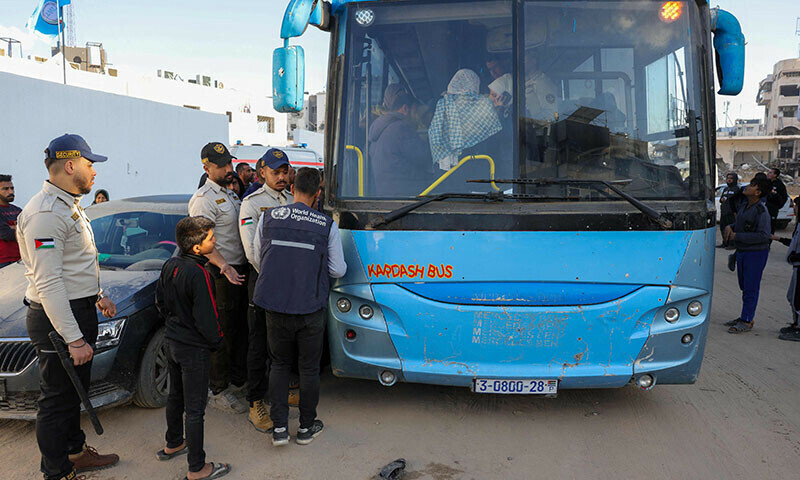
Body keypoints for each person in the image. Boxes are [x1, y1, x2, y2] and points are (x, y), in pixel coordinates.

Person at [16, 134, 120, 480]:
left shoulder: (69, 203)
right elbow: (48, 282)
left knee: (75, 392)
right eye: (91, 165)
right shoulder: (45, 214)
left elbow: (77, 264)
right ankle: (57, 471)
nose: (95, 173)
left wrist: (97, 294)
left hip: (77, 308)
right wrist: (74, 339)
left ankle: (75, 453)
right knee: (57, 400)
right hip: (57, 318)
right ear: (71, 165)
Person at [252, 167, 346, 446]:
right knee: (308, 369)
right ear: (318, 194)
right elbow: (338, 269)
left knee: (279, 364)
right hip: (310, 308)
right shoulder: (326, 225)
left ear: (292, 189)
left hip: (274, 305)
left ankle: (279, 429)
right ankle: (306, 428)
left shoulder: (267, 217)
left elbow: (259, 259)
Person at [155, 216, 231, 480]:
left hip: (172, 342)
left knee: (176, 396)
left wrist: (174, 324)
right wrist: (216, 342)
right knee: (195, 409)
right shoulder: (200, 274)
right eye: (211, 238)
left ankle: (173, 442)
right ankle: (197, 467)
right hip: (193, 349)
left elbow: (160, 302)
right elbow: (209, 318)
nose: (215, 241)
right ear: (197, 248)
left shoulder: (170, 264)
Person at [237, 148, 297, 432]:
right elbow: (252, 252)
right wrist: (279, 276)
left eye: (285, 171)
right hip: (263, 282)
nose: (282, 177)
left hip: (287, 283)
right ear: (262, 173)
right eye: (276, 172)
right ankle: (255, 402)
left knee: (282, 341)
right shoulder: (252, 204)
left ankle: (280, 392)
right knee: (258, 343)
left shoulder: (291, 200)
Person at [189, 142, 249, 414]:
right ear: (206, 168)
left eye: (229, 163)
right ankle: (218, 389)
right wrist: (224, 266)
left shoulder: (232, 195)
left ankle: (237, 381)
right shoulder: (204, 199)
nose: (229, 168)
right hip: (219, 273)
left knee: (238, 329)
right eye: (222, 165)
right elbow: (202, 241)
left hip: (238, 270)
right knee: (221, 332)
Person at [723, 177, 773, 334]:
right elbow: (741, 225)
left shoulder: (761, 211)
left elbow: (764, 236)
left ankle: (747, 320)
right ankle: (745, 316)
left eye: (752, 185)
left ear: (758, 192)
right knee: (744, 286)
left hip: (756, 253)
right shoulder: (745, 205)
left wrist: (737, 236)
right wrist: (730, 227)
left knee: (751, 287)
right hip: (743, 251)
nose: (747, 187)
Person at [428, 69, 502, 173]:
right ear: (475, 85)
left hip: (446, 174)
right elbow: (495, 139)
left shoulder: (443, 106)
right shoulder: (484, 104)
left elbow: (434, 137)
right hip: (480, 171)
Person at [370, 84, 434, 196]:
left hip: (386, 193)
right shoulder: (400, 128)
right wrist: (431, 137)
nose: (416, 118)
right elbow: (424, 156)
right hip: (405, 193)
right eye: (415, 113)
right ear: (405, 109)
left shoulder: (380, 127)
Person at [772, 197, 800, 341]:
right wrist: (779, 239)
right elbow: (794, 244)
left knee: (798, 299)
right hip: (795, 266)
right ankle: (796, 324)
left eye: (796, 207)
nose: (794, 209)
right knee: (792, 296)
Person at [0, 174, 21, 268]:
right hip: (3, 261)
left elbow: (31, 231)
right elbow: (7, 234)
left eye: (12, 188)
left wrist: (13, 228)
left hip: (21, 259)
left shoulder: (18, 210)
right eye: (5, 189)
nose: (11, 191)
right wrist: (18, 228)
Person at [718, 173, 741, 248]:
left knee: (732, 228)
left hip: (732, 212)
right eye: (728, 178)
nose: (729, 180)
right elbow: (721, 200)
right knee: (723, 227)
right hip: (724, 212)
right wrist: (721, 200)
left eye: (731, 178)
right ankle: (725, 242)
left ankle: (732, 244)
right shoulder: (725, 189)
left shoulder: (737, 189)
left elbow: (738, 201)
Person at [766, 168, 789, 234]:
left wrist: (778, 206)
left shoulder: (779, 185)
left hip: (773, 209)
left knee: (771, 226)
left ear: (775, 175)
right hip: (763, 207)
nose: (768, 174)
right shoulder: (766, 182)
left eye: (770, 172)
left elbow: (784, 197)